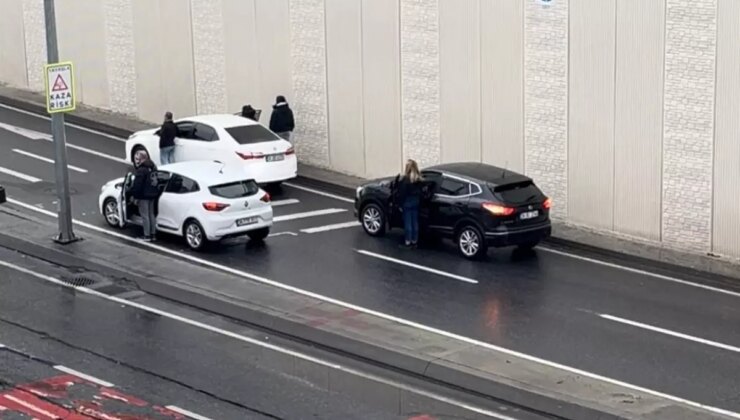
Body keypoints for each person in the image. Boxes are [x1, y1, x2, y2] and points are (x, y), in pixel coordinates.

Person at [131, 150, 160, 241]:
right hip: (153, 194)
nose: (136, 161)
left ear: (141, 159)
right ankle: (153, 234)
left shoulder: (141, 170)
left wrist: (135, 196)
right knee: (151, 214)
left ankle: (147, 235)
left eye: (137, 159)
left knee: (145, 215)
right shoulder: (153, 167)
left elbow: (138, 185)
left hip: (144, 195)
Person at [397, 159, 423, 248]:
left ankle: (408, 241)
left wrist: (400, 204)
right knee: (415, 221)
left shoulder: (405, 179)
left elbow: (402, 193)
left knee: (408, 222)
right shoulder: (418, 178)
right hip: (416, 201)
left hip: (407, 202)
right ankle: (415, 240)